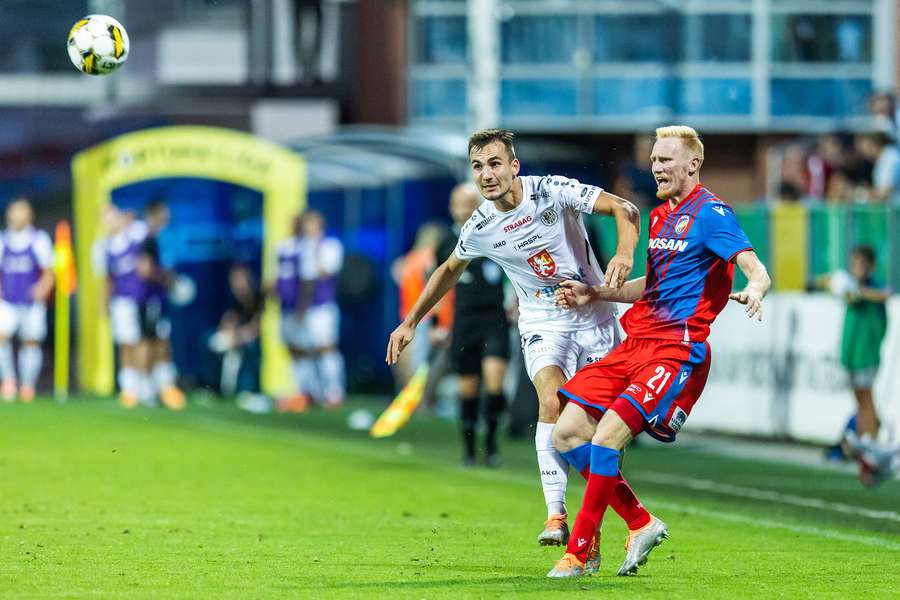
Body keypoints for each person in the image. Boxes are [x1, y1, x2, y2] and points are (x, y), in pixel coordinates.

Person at [387, 128, 646, 551]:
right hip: (542, 320)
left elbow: (624, 209)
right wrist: (411, 321)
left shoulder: (552, 191)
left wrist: (623, 254)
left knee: (599, 433)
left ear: (514, 166)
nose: (486, 174)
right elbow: (449, 269)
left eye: (493, 163)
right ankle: (556, 514)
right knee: (550, 400)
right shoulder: (481, 225)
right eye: (477, 166)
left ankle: (600, 524)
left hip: (595, 314)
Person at [547, 125, 771, 578]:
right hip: (635, 341)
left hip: (674, 349)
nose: (656, 167)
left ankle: (581, 551)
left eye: (666, 159)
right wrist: (596, 294)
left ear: (693, 164)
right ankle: (640, 521)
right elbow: (654, 285)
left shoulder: (712, 213)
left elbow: (754, 266)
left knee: (608, 435)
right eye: (654, 159)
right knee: (566, 432)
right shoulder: (658, 216)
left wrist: (755, 289)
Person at [435, 183, 510, 467]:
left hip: (494, 319)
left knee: (494, 384)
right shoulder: (445, 242)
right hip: (464, 322)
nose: (463, 208)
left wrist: (517, 300)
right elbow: (438, 286)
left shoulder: (496, 233)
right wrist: (436, 324)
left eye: (468, 203)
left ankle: (491, 445)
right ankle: (468, 450)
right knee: (467, 389)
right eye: (458, 203)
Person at [815, 245, 894, 486]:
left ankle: (869, 444)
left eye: (861, 265)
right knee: (860, 401)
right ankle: (867, 443)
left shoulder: (873, 286)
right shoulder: (847, 285)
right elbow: (822, 280)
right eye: (854, 264)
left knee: (866, 398)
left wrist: (857, 290)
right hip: (850, 353)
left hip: (866, 352)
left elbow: (885, 295)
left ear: (870, 266)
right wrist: (831, 283)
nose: (857, 269)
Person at [275, 210, 345, 410]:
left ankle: (334, 391)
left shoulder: (330, 246)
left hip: (322, 306)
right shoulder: (293, 247)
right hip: (300, 307)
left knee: (325, 347)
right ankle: (307, 391)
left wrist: (312, 253)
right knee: (300, 350)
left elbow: (324, 272)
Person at [93, 206, 151, 408]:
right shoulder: (102, 247)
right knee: (126, 344)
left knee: (146, 341)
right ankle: (129, 388)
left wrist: (130, 217)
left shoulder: (135, 233)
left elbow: (148, 229)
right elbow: (105, 279)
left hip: (145, 298)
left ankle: (147, 386)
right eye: (105, 219)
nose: (110, 222)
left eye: (112, 217)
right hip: (122, 301)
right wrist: (103, 304)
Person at [0, 198, 54, 403]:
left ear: (29, 215)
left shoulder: (38, 239)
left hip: (31, 302)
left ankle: (27, 385)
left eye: (22, 211)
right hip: (8, 301)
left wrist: (41, 289)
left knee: (30, 341)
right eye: (15, 211)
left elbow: (50, 272)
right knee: (2, 337)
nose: (18, 215)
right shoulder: (3, 240)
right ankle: (8, 381)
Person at [135, 199, 185, 410]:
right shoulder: (149, 240)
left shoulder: (160, 240)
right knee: (149, 341)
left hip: (157, 299)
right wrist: (168, 280)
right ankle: (145, 388)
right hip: (150, 299)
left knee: (160, 341)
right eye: (163, 214)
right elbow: (145, 269)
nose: (167, 218)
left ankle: (160, 386)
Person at [208, 265, 263, 397]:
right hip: (238, 338)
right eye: (234, 281)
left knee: (250, 347)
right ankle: (213, 387)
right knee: (209, 341)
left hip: (252, 341)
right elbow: (227, 321)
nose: (237, 285)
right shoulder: (235, 302)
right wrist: (230, 331)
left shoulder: (258, 298)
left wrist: (238, 337)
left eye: (240, 280)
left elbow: (258, 327)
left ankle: (247, 388)